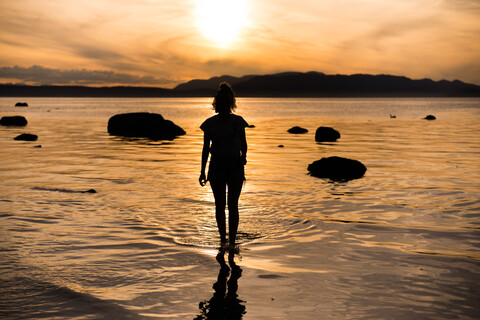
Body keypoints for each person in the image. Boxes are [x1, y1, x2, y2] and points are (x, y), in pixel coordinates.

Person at [199, 82, 248, 249]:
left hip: (222, 166)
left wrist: (202, 172)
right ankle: (229, 242)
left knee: (221, 206)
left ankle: (225, 241)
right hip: (230, 166)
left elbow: (206, 149)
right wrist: (244, 157)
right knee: (231, 205)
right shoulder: (236, 122)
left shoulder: (211, 123)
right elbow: (244, 145)